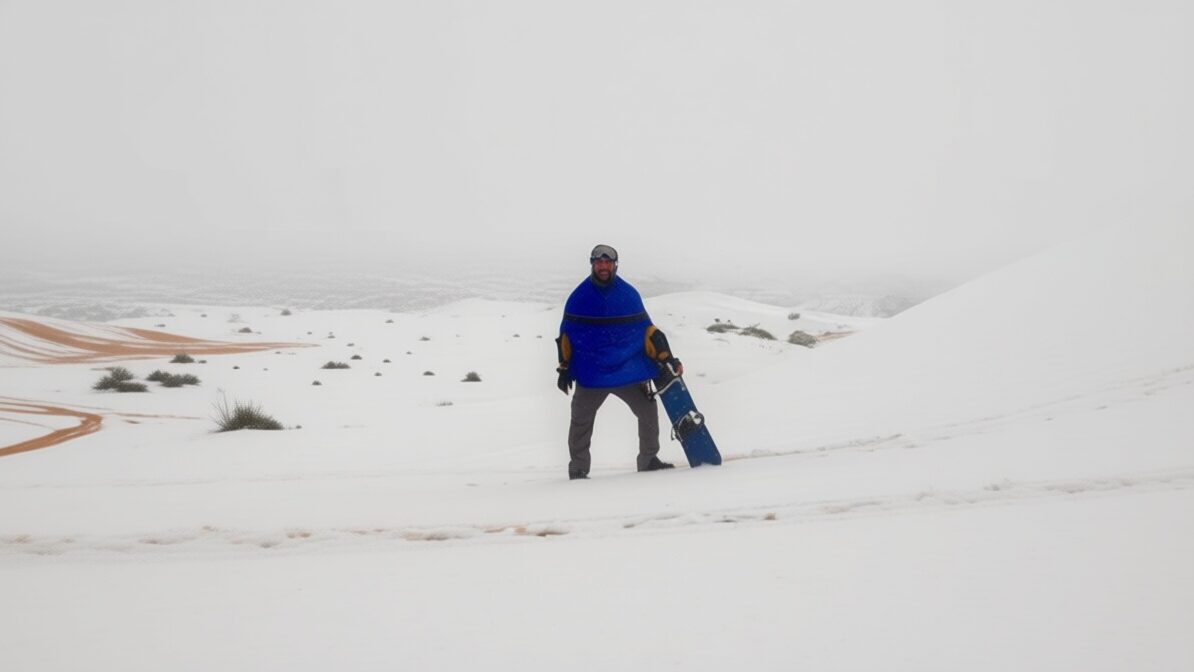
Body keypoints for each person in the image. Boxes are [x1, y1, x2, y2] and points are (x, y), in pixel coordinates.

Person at [555, 244, 684, 480]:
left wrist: (668, 358)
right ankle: (578, 469)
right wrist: (564, 368)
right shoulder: (579, 297)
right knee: (580, 420)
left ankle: (648, 460)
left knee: (647, 410)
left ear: (615, 264)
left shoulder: (627, 294)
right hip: (592, 374)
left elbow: (647, 331)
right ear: (592, 264)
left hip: (626, 371)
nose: (603, 266)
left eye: (607, 262)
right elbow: (567, 336)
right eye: (599, 262)